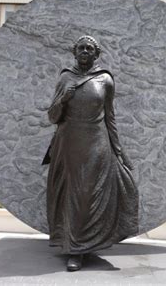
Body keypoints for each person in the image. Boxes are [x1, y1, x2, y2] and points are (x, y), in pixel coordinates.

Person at [44, 35, 138, 271]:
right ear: (74, 52)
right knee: (72, 196)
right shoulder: (65, 77)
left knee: (89, 195)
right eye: (81, 48)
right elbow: (52, 117)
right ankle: (74, 250)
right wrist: (63, 99)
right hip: (69, 144)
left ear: (96, 54)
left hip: (97, 143)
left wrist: (119, 151)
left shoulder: (105, 80)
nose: (85, 51)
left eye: (89, 48)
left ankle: (86, 245)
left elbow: (110, 117)